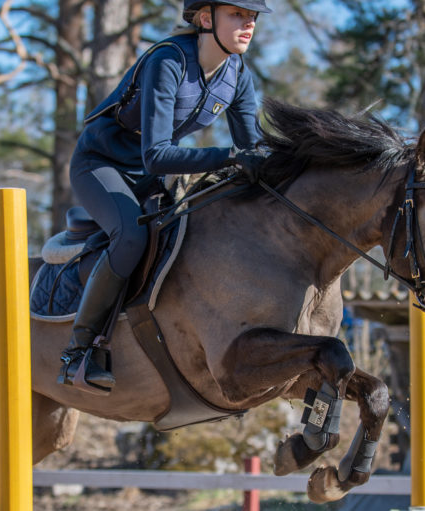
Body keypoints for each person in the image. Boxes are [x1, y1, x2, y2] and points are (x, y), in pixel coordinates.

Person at [58, 0, 271, 394]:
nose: (249, 24)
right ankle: (79, 351)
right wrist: (228, 156)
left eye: (252, 17)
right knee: (133, 236)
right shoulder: (169, 60)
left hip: (151, 174)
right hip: (102, 164)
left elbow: (252, 151)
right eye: (237, 15)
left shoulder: (238, 74)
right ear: (206, 19)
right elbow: (156, 155)